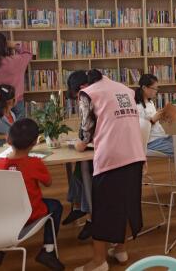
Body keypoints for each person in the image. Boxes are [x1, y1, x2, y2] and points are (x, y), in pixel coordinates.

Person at [73, 71, 145, 271]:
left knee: (102, 210)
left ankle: (99, 261)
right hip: (135, 154)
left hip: (111, 158)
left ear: (81, 87)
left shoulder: (88, 93)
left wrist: (79, 144)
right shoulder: (126, 90)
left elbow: (85, 132)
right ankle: (121, 250)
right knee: (127, 205)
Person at [0, 118, 64, 270]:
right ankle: (48, 250)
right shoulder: (35, 163)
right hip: (30, 215)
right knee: (56, 206)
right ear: (34, 142)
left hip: (6, 215)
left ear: (8, 139)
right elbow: (48, 183)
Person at [135, 74, 176, 206]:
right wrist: (153, 120)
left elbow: (153, 124)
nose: (156, 91)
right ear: (144, 87)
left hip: (162, 137)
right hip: (151, 142)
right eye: (154, 88)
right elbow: (139, 131)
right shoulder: (137, 107)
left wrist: (163, 116)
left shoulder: (150, 102)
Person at [62, 69, 101, 241]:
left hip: (102, 147)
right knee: (80, 166)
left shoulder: (88, 94)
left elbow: (89, 124)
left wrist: (83, 142)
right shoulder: (97, 91)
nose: (78, 99)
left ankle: (90, 216)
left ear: (82, 87)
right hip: (98, 142)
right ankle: (78, 207)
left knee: (86, 171)